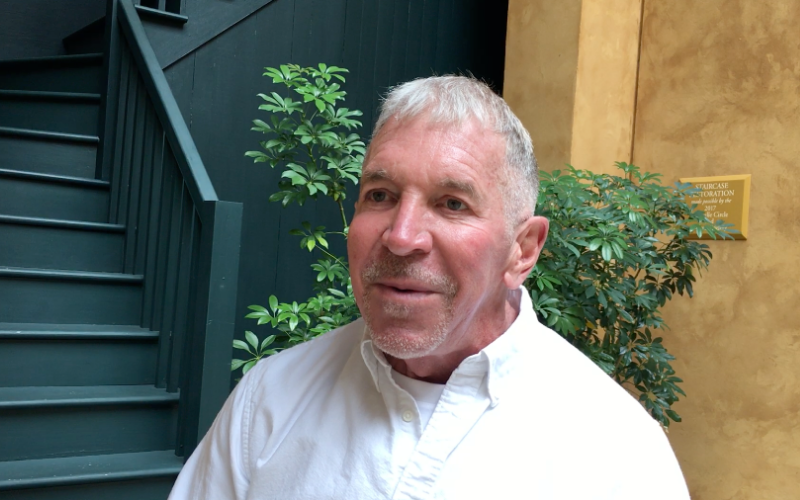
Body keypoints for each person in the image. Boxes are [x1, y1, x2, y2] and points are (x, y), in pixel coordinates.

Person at [168, 76, 690, 499]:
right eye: (380, 194)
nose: (401, 237)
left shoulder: (617, 454)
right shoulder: (269, 399)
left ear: (523, 250)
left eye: (452, 203)